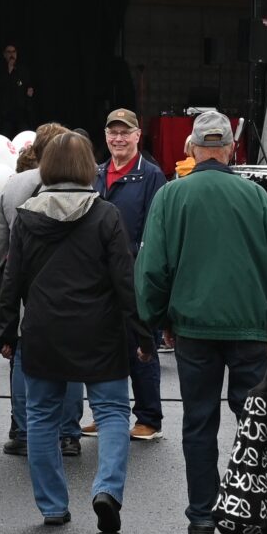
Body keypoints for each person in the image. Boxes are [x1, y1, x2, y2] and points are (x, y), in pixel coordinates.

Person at [135, 107, 267, 534]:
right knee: (254, 421)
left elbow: (153, 268)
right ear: (229, 149)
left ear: (192, 148)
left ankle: (202, 515)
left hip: (193, 327)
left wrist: (152, 321)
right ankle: (253, 509)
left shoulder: (171, 195)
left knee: (199, 421)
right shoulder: (257, 197)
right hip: (250, 328)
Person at [0, 130, 142, 534]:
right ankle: (107, 489)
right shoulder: (106, 214)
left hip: (42, 328)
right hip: (100, 330)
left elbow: (13, 280)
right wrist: (142, 334)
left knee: (41, 415)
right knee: (112, 411)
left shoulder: (26, 216)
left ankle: (53, 505)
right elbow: (124, 282)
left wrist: (6, 330)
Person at [0, 123, 70, 459]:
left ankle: (22, 431)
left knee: (20, 352)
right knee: (69, 355)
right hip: (67, 280)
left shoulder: (15, 184)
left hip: (21, 279)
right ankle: (68, 434)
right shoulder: (75, 184)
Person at [95, 110, 167, 442]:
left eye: (126, 133)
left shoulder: (152, 176)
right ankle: (108, 413)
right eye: (113, 133)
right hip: (99, 277)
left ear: (138, 135)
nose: (119, 139)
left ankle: (149, 418)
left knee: (142, 344)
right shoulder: (96, 173)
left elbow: (157, 228)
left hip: (137, 277)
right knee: (104, 348)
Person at [0, 43, 37, 132]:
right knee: (5, 135)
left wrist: (30, 90)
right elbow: (0, 87)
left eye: (14, 52)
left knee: (24, 135)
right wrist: (9, 70)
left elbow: (27, 84)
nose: (12, 54)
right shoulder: (0, 70)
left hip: (21, 111)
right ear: (4, 54)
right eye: (9, 52)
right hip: (6, 112)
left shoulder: (22, 69)